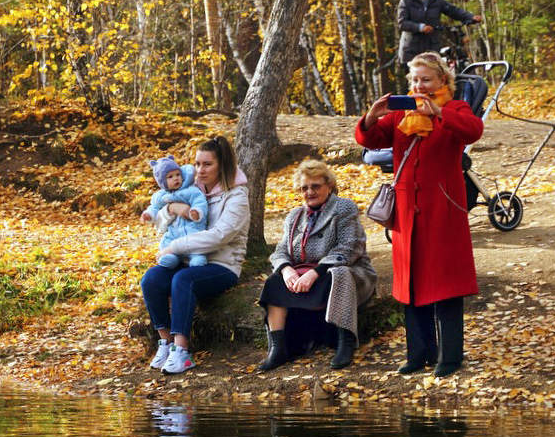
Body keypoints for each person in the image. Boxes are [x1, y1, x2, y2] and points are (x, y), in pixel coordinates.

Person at [355, 52, 483, 377]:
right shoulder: (402, 114)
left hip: (442, 211)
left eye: (425, 79)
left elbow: (473, 130)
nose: (419, 85)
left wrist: (438, 113)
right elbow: (369, 139)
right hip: (406, 213)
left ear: (443, 81)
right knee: (411, 284)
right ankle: (419, 353)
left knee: (446, 284)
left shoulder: (454, 108)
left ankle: (450, 357)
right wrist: (371, 116)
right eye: (414, 80)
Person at [140, 135, 250, 375]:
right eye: (197, 163)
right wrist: (171, 208)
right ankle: (166, 343)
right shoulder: (191, 189)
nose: (200, 170)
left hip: (222, 264)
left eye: (207, 164)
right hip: (188, 260)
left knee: (183, 280)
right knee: (151, 279)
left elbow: (219, 236)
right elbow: (159, 224)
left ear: (223, 165)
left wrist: (176, 246)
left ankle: (182, 352)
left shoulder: (237, 197)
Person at [256, 159, 378, 372]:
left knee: (338, 273)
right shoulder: (295, 216)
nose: (309, 192)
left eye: (315, 186)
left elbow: (349, 248)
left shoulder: (344, 207)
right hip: (303, 275)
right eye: (304, 188)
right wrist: (286, 270)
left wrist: (314, 272)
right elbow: (280, 251)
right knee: (274, 281)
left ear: (329, 185)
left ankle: (345, 342)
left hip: (346, 271)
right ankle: (278, 349)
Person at [396, 0, 482, 66]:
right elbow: (402, 23)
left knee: (434, 75)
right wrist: (420, 27)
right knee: (415, 78)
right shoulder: (407, 0)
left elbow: (453, 10)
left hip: (431, 46)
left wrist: (471, 17)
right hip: (412, 49)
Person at [140, 156, 208, 269]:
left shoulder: (190, 190)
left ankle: (197, 258)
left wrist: (196, 211)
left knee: (196, 248)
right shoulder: (161, 196)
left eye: (178, 175)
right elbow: (154, 208)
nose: (176, 178)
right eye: (170, 177)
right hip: (173, 233)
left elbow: (199, 201)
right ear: (162, 182)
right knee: (168, 244)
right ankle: (171, 258)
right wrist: (149, 215)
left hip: (192, 229)